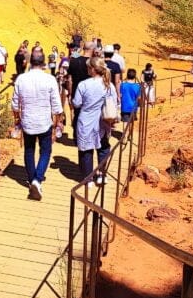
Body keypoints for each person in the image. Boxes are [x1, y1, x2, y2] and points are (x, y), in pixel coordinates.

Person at [12, 48, 63, 201]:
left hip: (27, 121)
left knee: (29, 150)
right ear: (44, 63)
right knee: (45, 151)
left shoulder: (21, 79)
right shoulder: (50, 79)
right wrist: (57, 124)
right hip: (44, 122)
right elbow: (57, 105)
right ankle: (37, 179)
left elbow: (15, 104)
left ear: (29, 62)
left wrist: (17, 120)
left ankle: (32, 179)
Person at [72, 57, 116, 180]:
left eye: (88, 67)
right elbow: (114, 102)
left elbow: (77, 103)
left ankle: (88, 179)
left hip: (86, 120)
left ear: (92, 69)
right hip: (103, 122)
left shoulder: (83, 84)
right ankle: (102, 174)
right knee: (103, 147)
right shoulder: (109, 85)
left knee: (86, 150)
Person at [66, 42, 91, 141]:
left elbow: (70, 80)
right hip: (89, 93)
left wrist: (70, 93)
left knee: (77, 114)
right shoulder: (93, 62)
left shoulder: (74, 60)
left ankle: (76, 136)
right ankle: (85, 137)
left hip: (76, 91)